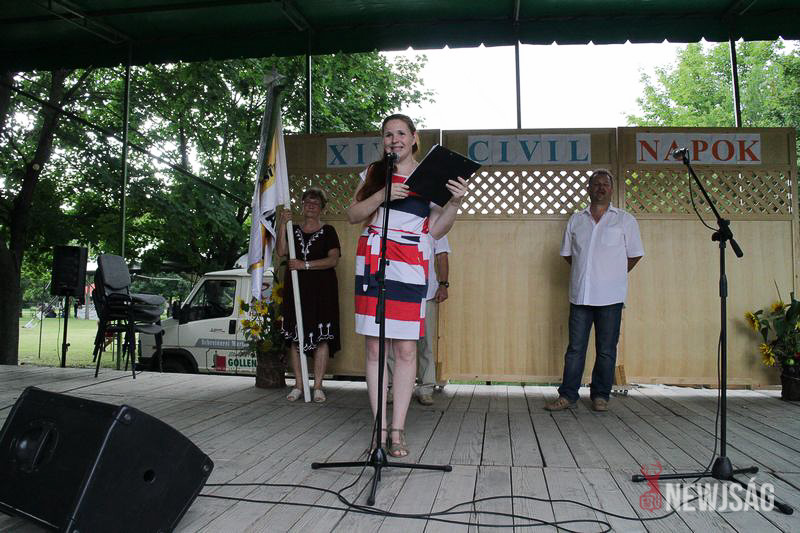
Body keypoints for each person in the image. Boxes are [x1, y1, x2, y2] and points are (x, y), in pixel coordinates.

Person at [347, 113, 468, 457]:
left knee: (405, 350)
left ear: (414, 138)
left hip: (411, 262)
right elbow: (353, 215)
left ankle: (397, 431)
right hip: (374, 259)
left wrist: (455, 203)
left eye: (401, 133)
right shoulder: (373, 173)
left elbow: (436, 229)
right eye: (388, 135)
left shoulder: (429, 176)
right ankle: (379, 428)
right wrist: (382, 195)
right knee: (375, 349)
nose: (394, 140)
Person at [545, 169, 644, 412]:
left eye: (605, 185)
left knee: (606, 350)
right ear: (588, 189)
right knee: (575, 349)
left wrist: (612, 274)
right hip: (581, 295)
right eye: (596, 184)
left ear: (611, 189)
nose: (601, 188)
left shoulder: (625, 220)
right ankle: (567, 395)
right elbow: (568, 255)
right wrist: (587, 272)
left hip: (610, 296)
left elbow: (634, 255)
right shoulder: (576, 220)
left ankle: (601, 395)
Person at [276, 187, 341, 403]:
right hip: (296, 290)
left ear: (322, 207)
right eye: (307, 202)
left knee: (321, 338)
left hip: (322, 292)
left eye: (315, 203)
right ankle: (299, 385)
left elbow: (333, 260)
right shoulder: (292, 229)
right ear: (302, 205)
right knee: (296, 337)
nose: (311, 206)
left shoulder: (328, 231)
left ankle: (318, 386)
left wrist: (304, 265)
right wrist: (282, 224)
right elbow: (281, 251)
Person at [387, 236, 451, 406]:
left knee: (426, 343)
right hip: (397, 292)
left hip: (426, 293)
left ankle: (426, 388)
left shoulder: (435, 225)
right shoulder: (397, 223)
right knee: (395, 343)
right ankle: (394, 387)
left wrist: (443, 285)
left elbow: (442, 255)